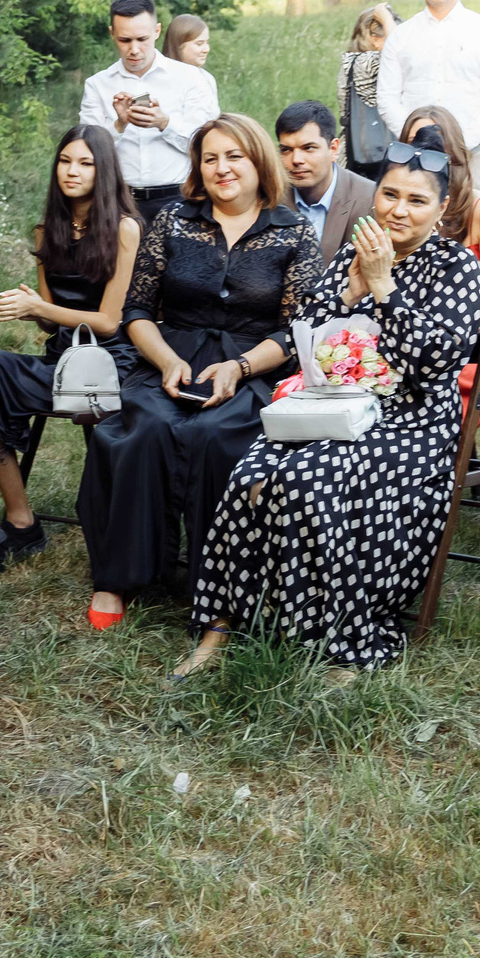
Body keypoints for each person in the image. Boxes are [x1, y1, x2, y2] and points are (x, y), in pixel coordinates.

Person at [177, 126, 480, 678]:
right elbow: (302, 338)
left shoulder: (457, 268)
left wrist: (384, 287)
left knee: (309, 478)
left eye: (417, 201)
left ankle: (342, 637)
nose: (398, 210)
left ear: (441, 210)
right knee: (250, 472)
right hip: (329, 405)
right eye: (389, 194)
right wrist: (349, 291)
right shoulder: (353, 251)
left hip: (410, 421)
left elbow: (434, 366)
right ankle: (221, 625)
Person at [75, 113, 318, 629]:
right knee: (141, 431)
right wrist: (166, 359)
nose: (222, 168)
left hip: (252, 366)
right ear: (198, 167)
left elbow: (298, 330)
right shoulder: (172, 220)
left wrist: (240, 367)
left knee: (216, 437)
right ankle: (118, 575)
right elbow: (136, 311)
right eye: (210, 159)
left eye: (234, 156)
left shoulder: (293, 231)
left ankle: (218, 586)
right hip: (171, 355)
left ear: (258, 162)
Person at [0, 124, 140, 570]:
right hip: (61, 360)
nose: (72, 171)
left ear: (104, 171)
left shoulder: (125, 229)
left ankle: (14, 524)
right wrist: (33, 310)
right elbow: (50, 318)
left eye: (85, 163)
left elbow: (109, 321)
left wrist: (41, 307)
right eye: (65, 161)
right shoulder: (47, 231)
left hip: (109, 367)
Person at [398, 104, 480, 407]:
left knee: (428, 392)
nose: (424, 152)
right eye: (414, 143)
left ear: (454, 153)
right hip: (407, 331)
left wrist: (448, 274)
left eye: (436, 144)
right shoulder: (396, 209)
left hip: (469, 339)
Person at [374, 0, 480, 192]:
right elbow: (387, 97)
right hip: (413, 159)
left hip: (472, 155)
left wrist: (461, 144)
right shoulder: (401, 37)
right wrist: (416, 139)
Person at [79, 0, 218, 222]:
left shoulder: (191, 78)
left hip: (180, 198)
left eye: (142, 39)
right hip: (118, 202)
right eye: (125, 40)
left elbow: (208, 147)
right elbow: (86, 154)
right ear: (112, 34)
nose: (134, 49)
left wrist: (164, 123)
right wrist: (118, 125)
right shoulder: (97, 85)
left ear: (157, 31)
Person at [273, 100, 374, 264]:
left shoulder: (368, 199)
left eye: (308, 148)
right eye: (286, 150)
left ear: (333, 149)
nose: (296, 159)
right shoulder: (270, 197)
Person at [336, 4, 395, 179]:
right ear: (374, 38)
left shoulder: (353, 63)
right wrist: (385, 17)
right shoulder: (364, 64)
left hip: (360, 158)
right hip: (367, 163)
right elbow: (400, 52)